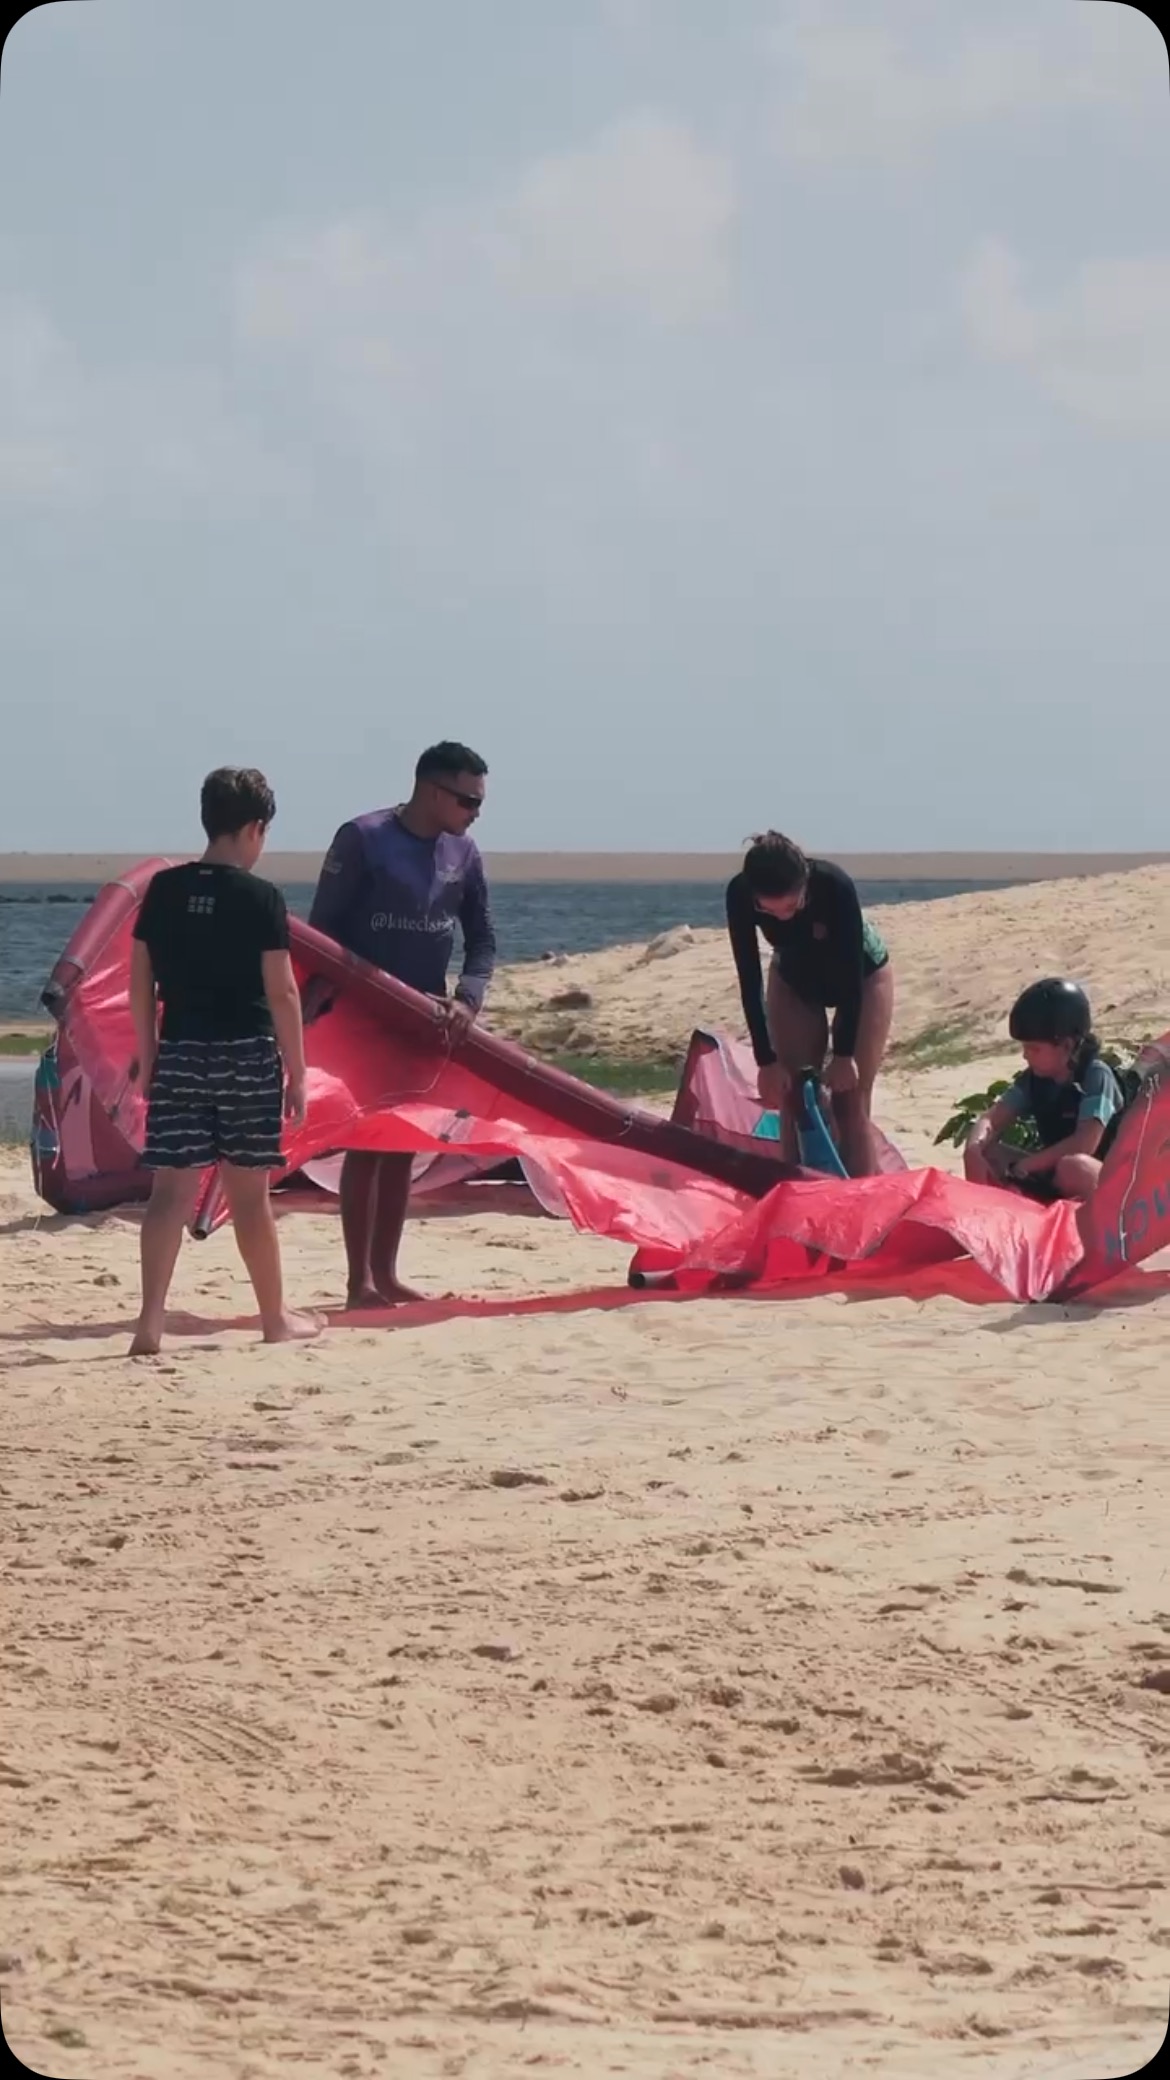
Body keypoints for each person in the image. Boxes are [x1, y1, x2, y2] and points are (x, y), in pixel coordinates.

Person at [127, 767, 322, 1356]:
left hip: (182, 1051)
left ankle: (150, 1323)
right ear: (255, 829)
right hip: (246, 1056)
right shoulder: (260, 897)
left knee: (169, 1195)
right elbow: (283, 992)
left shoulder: (163, 890)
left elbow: (141, 982)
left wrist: (148, 1052)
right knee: (249, 1199)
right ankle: (274, 1319)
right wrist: (299, 1070)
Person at [309, 741, 496, 1308]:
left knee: (401, 1148)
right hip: (362, 1019)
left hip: (427, 1021)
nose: (474, 812)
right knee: (366, 1144)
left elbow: (483, 941)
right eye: (467, 800)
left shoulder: (464, 853)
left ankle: (386, 1276)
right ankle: (357, 1283)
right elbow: (322, 933)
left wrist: (467, 999)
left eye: (480, 803)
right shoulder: (363, 839)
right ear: (433, 790)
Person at [725, 830, 895, 1176]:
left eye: (792, 906)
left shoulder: (835, 885)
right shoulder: (740, 893)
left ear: (804, 883)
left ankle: (862, 1192)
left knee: (850, 1098)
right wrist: (766, 1059)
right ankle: (794, 1191)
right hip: (794, 977)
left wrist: (845, 1055)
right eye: (769, 911)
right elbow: (749, 977)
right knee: (794, 1094)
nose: (784, 917)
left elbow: (851, 981)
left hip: (861, 975)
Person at [963, 979, 1125, 1202]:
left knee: (1073, 1166)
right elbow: (991, 1119)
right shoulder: (1034, 1080)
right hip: (1055, 1173)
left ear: (1067, 1045)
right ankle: (982, 1217)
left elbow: (1084, 1143)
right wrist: (973, 1148)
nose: (1025, 1055)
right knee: (987, 1154)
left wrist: (1026, 1166)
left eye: (1034, 1048)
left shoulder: (1097, 1076)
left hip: (1110, 1182)